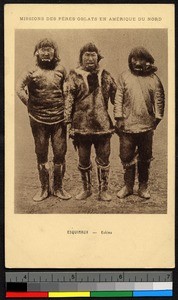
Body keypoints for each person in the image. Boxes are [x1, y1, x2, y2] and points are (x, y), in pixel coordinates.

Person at [16, 38, 71, 201]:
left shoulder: (61, 70)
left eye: (50, 49)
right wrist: (29, 103)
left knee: (60, 153)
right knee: (41, 153)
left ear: (55, 52)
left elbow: (67, 92)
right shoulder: (30, 71)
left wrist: (67, 112)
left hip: (59, 119)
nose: (46, 53)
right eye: (43, 49)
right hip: (38, 119)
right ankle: (44, 189)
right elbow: (18, 87)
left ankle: (59, 188)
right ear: (37, 52)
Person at [64, 42, 117, 201]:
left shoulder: (106, 75)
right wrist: (67, 122)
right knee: (83, 159)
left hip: (102, 126)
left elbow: (117, 98)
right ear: (81, 57)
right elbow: (69, 100)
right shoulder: (74, 76)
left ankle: (103, 191)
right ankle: (86, 189)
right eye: (86, 55)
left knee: (103, 158)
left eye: (93, 54)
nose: (89, 58)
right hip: (81, 126)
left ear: (98, 57)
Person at [114, 46, 165, 199]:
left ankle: (143, 187)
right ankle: (128, 186)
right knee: (126, 156)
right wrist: (119, 117)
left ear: (148, 61)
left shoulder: (154, 79)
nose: (137, 62)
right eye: (134, 59)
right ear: (130, 60)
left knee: (145, 157)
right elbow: (118, 98)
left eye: (141, 59)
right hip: (127, 127)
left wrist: (157, 119)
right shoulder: (124, 77)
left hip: (146, 127)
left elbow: (159, 99)